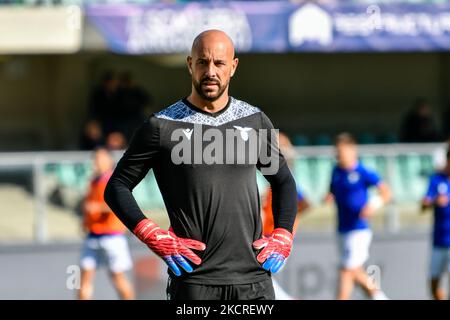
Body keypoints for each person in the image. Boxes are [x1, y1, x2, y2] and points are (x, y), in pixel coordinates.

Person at [104, 30, 298, 300]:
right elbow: (117, 186)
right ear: (189, 64)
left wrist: (283, 234)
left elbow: (284, 181)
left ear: (233, 66)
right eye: (202, 62)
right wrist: (154, 236)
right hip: (194, 282)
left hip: (254, 279)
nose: (211, 71)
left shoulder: (255, 120)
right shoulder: (161, 126)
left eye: (219, 63)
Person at [324, 133, 391, 300]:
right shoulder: (336, 171)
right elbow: (332, 191)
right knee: (355, 271)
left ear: (353, 150)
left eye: (342, 151)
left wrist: (373, 205)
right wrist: (329, 196)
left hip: (359, 229)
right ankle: (379, 296)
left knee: (347, 270)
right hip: (342, 229)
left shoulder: (363, 171)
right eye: (337, 151)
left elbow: (386, 192)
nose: (339, 155)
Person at [79, 148, 135, 300]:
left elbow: (121, 205)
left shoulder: (113, 181)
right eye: (95, 159)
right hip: (93, 235)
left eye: (99, 159)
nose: (95, 162)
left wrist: (97, 208)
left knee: (118, 277)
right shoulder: (94, 181)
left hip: (112, 236)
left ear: (109, 162)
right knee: (84, 279)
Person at [261, 132, 310, 300]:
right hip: (266, 234)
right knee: (262, 274)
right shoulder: (271, 184)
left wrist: (290, 226)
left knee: (260, 272)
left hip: (276, 236)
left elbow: (304, 204)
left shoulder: (288, 183)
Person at [421, 147, 450, 300]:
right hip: (439, 240)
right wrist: (434, 202)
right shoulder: (437, 180)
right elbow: (423, 204)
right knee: (433, 283)